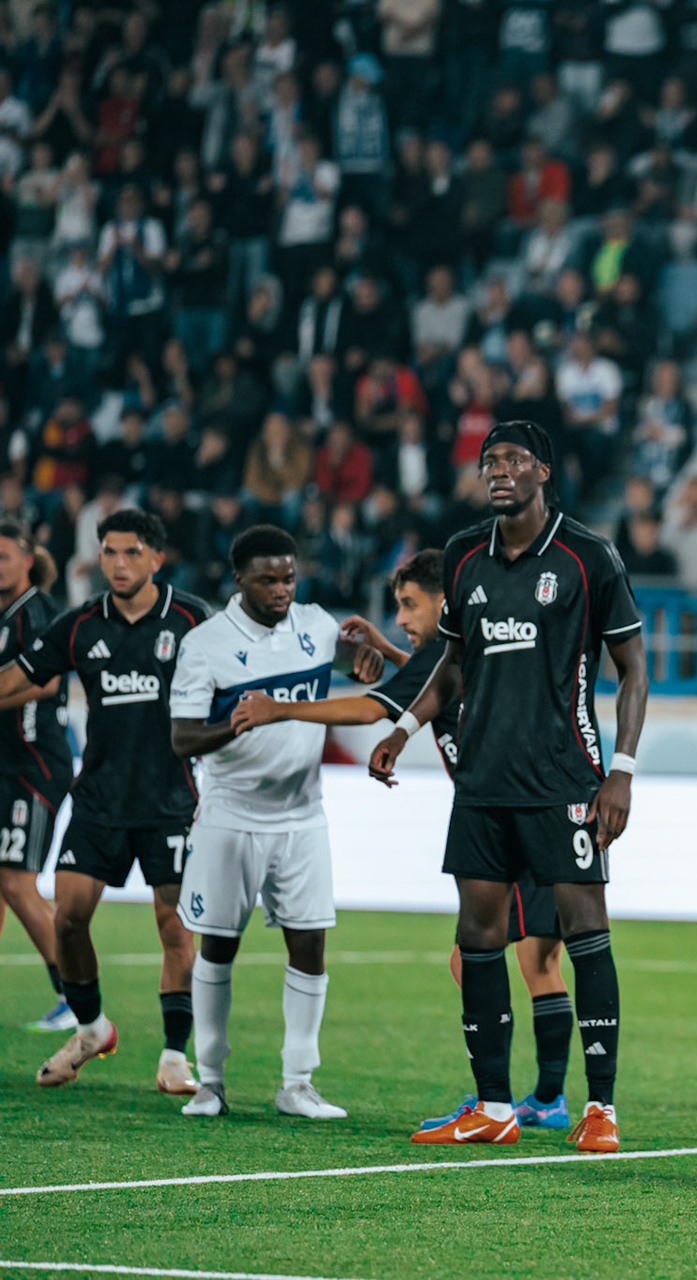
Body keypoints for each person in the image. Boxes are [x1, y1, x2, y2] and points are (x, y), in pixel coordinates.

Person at [370, 421, 647, 1153]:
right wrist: (401, 729)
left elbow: (634, 669)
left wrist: (621, 769)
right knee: (478, 936)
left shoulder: (589, 557)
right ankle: (494, 1106)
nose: (498, 471)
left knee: (586, 930)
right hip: (483, 784)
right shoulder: (462, 555)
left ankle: (601, 1109)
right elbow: (452, 668)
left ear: (544, 472)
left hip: (566, 778)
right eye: (489, 460)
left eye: (514, 460)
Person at [230, 551, 576, 1132]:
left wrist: (275, 710)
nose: (402, 616)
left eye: (410, 604)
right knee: (539, 959)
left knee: (474, 960)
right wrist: (392, 653)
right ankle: (546, 1099)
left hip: (508, 817)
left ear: (447, 601)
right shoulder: (467, 647)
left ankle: (498, 1099)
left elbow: (372, 709)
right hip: (548, 810)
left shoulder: (447, 647)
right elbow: (429, 685)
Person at [0, 510, 211, 1093]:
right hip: (97, 801)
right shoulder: (80, 625)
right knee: (68, 919)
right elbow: (22, 675)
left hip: (170, 801)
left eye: (131, 553)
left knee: (174, 926)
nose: (118, 564)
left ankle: (174, 1055)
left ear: (156, 558)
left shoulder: (193, 619)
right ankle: (92, 1027)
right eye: (109, 553)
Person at [167, 526, 346, 1121]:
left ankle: (298, 1082)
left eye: (288, 577)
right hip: (230, 816)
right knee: (217, 946)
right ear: (238, 579)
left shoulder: (317, 626)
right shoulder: (207, 644)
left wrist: (367, 653)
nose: (281, 589)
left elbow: (358, 669)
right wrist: (237, 724)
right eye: (267, 579)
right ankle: (211, 1081)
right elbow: (183, 736)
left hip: (302, 817)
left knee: (311, 944)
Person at [0, 522, 74, 1032]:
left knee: (18, 881)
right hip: (5, 764)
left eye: (3, 556)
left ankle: (76, 996)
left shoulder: (40, 612)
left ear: (27, 560)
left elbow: (47, 683)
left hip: (34, 766)